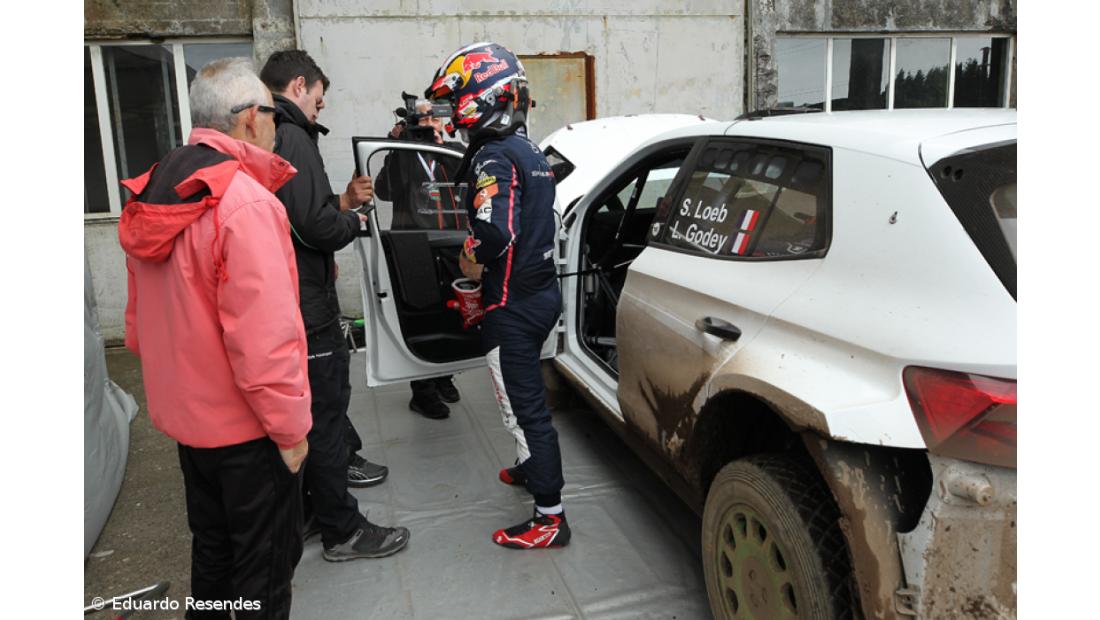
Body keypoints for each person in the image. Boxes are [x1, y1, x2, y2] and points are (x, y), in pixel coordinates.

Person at [119, 57, 310, 618]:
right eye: (274, 113)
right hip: (247, 432)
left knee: (214, 555)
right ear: (251, 119)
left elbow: (137, 327)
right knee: (263, 573)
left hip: (190, 425)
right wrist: (291, 429)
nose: (277, 125)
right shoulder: (245, 203)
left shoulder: (157, 187)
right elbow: (265, 342)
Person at [260, 50, 409, 561]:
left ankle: (308, 515)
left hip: (286, 294)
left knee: (306, 417)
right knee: (323, 419)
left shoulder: (265, 134)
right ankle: (342, 530)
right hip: (306, 304)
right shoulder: (293, 134)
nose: (319, 111)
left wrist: (340, 201)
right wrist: (351, 223)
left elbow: (297, 216)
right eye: (319, 102)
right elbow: (313, 226)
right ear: (298, 85)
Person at [426, 42, 570, 549]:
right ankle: (533, 468)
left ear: (480, 97)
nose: (455, 113)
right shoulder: (530, 150)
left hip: (511, 304)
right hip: (540, 293)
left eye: (457, 99)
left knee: (525, 410)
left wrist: (467, 256)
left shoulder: (492, 154)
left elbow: (494, 235)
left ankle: (550, 517)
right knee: (528, 403)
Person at [375, 98, 465, 419]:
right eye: (423, 119)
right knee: (423, 315)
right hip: (414, 247)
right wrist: (397, 147)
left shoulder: (451, 151)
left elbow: (465, 182)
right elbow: (384, 190)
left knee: (450, 311)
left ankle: (444, 376)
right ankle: (422, 392)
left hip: (451, 245)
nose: (429, 124)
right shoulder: (404, 153)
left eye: (434, 118)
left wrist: (441, 145)